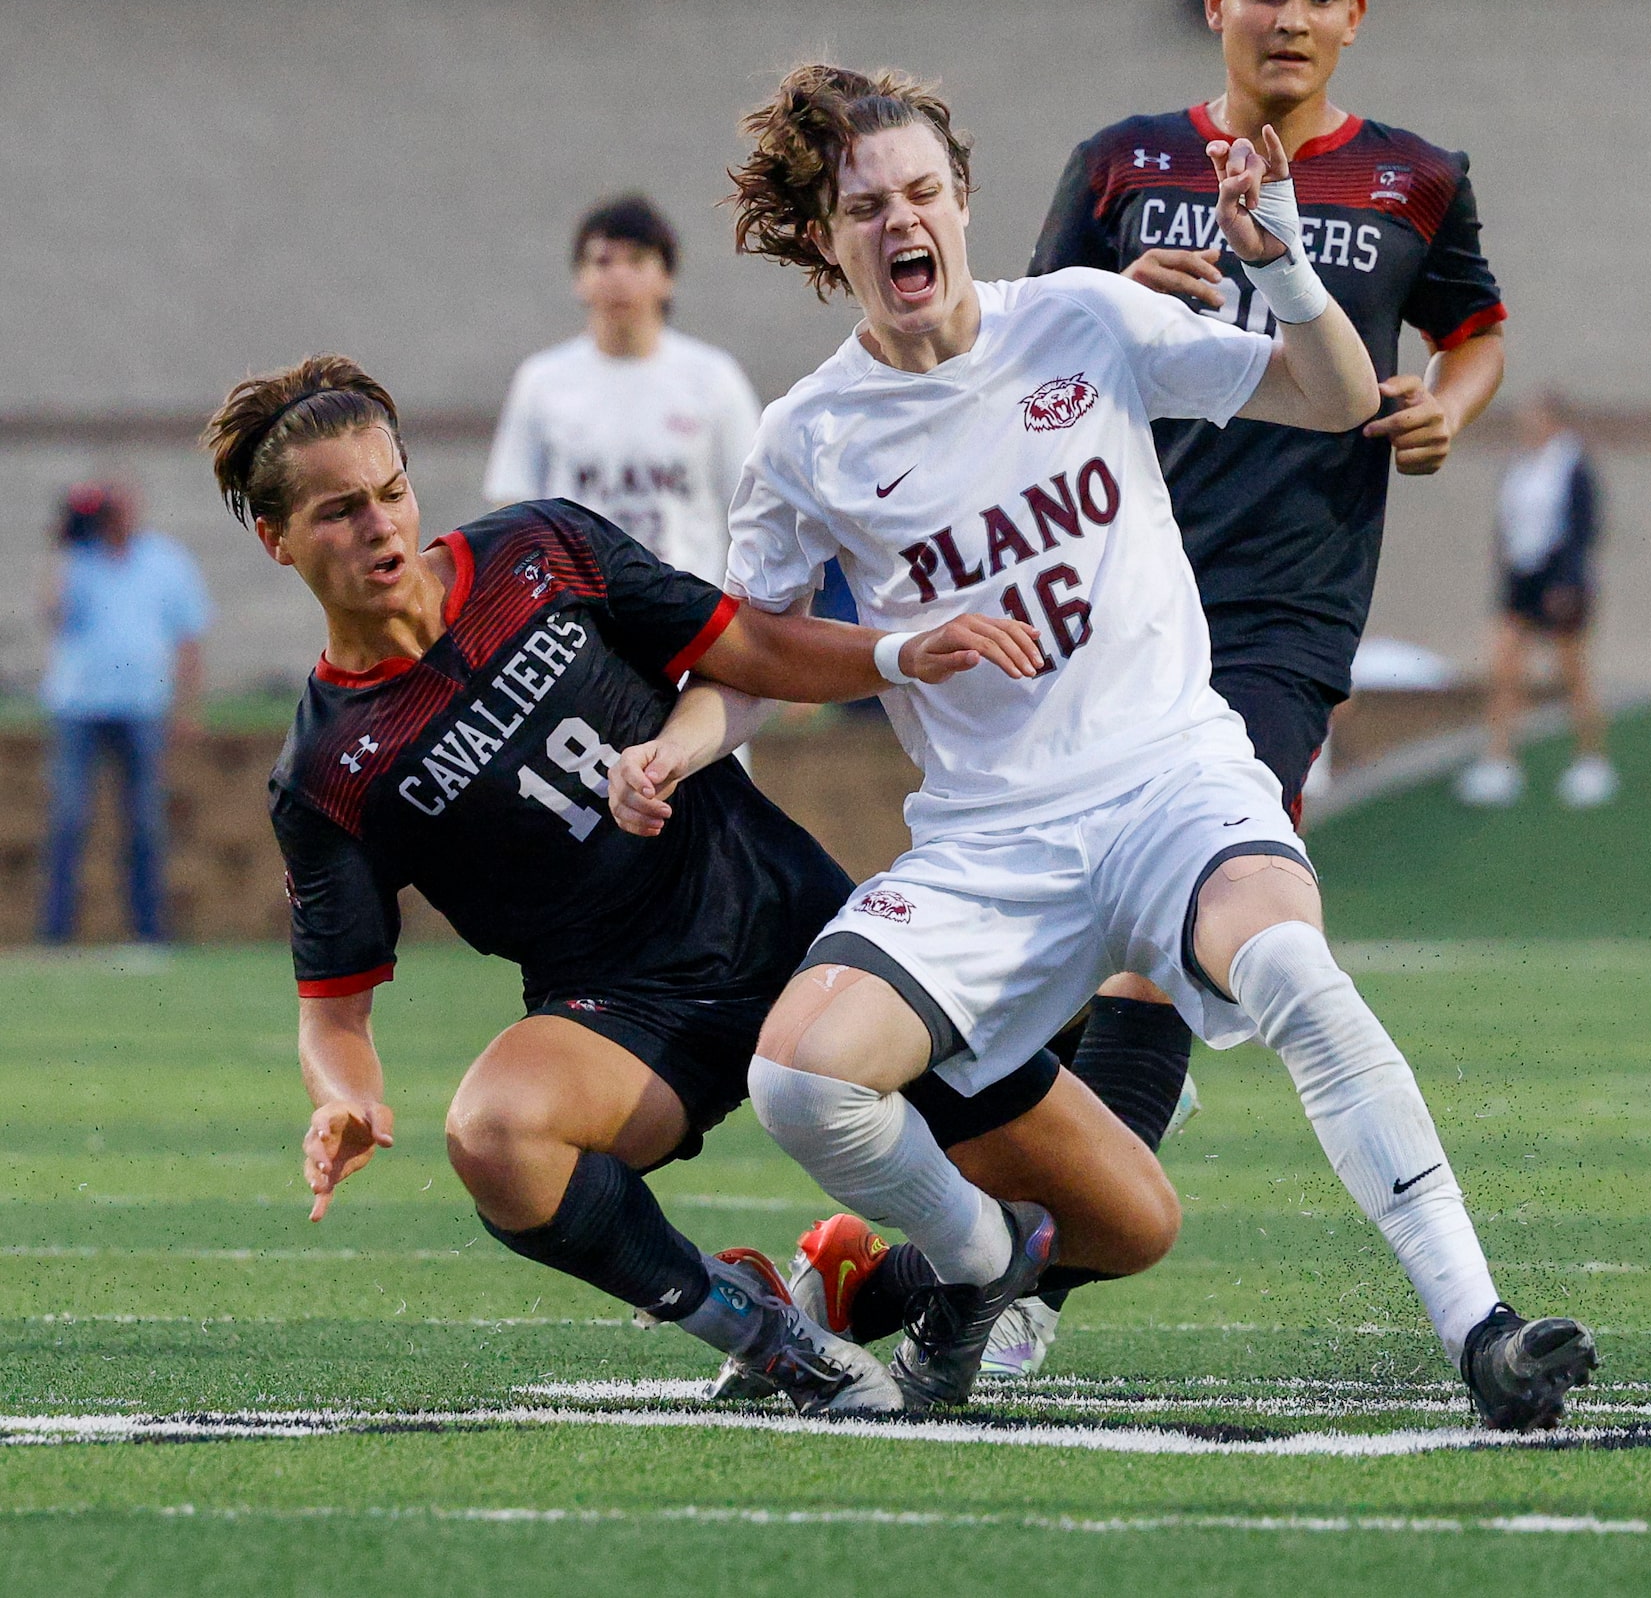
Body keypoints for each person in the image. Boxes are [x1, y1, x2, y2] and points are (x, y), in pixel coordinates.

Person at [613, 62, 1593, 1428]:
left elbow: (1330, 397)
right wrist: (678, 745)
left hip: (1167, 781)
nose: (900, 223)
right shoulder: (806, 438)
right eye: (862, 207)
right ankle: (969, 1270)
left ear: (962, 199)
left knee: (1294, 963)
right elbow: (757, 656)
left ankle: (1481, 1326)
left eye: (919, 193)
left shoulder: (1079, 315)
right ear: (826, 241)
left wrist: (1285, 262)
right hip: (986, 846)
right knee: (796, 1078)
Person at [204, 355, 1176, 1417]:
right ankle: (763, 1332)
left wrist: (898, 652)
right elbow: (334, 1008)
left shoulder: (539, 549)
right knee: (495, 1138)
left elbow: (746, 644)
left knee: (1126, 1226)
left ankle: (864, 1283)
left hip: (796, 932)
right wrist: (344, 1097)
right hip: (629, 1016)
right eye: (342, 512)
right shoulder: (325, 770)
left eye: (391, 492)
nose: (383, 527)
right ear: (277, 538)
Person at [1015, 0, 1511, 1369]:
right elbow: (1014, 376)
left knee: (1168, 944)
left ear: (1355, 15)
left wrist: (1449, 409)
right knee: (1047, 957)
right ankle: (956, 1268)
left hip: (1285, 622)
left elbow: (1474, 323)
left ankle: (1023, 1296)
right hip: (1108, 600)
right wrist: (1116, 309)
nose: (1286, 18)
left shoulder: (1414, 175)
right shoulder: (1120, 166)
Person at [485, 195, 762, 585]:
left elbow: (755, 505)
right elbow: (511, 508)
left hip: (690, 609)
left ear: (667, 278)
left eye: (636, 261)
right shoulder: (542, 381)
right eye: (602, 261)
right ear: (579, 279)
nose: (619, 277)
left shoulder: (714, 379)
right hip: (583, 615)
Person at [39, 481, 210, 944]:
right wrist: (64, 550)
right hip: (79, 705)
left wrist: (186, 707)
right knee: (69, 819)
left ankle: (148, 935)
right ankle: (54, 936)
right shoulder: (79, 559)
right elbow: (53, 614)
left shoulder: (166, 561)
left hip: (142, 707)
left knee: (143, 823)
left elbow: (188, 638)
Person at [1456, 392, 1614, 810]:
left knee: (1570, 671)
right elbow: (1507, 526)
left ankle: (1590, 760)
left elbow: (1584, 528)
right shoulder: (1520, 465)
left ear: (1555, 421)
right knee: (1505, 668)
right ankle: (1499, 761)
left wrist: (1567, 583)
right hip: (1520, 580)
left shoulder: (1573, 466)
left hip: (1559, 580)